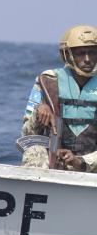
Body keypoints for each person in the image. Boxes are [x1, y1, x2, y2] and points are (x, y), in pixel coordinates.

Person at [20, 25, 97, 171]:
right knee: (35, 152)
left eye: (92, 53)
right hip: (53, 161)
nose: (87, 59)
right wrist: (38, 112)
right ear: (67, 55)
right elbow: (26, 134)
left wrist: (81, 161)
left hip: (90, 166)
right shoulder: (47, 81)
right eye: (81, 53)